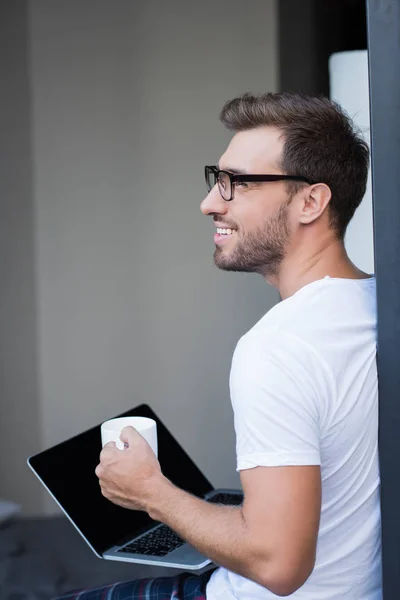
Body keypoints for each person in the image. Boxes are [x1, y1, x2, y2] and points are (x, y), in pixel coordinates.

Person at [57, 92, 382, 600]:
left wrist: (151, 493)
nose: (210, 202)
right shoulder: (377, 307)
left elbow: (278, 565)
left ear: (311, 202)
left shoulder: (278, 348)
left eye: (237, 184)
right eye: (217, 180)